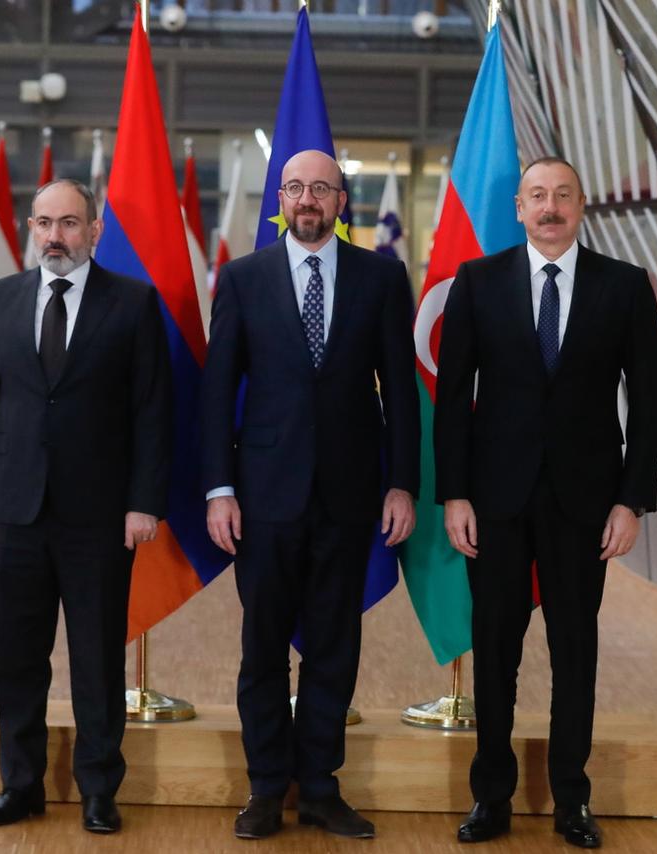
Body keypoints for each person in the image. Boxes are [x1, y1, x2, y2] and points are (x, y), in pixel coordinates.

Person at [434, 157, 657, 848]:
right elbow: (452, 400)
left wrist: (632, 502)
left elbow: (648, 404)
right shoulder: (476, 283)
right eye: (537, 196)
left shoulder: (624, 287)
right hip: (494, 500)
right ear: (517, 207)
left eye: (562, 195)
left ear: (582, 205)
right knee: (496, 652)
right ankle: (491, 799)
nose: (550, 207)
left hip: (585, 504)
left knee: (576, 652)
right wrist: (454, 494)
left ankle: (572, 800)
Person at [200, 149, 420, 840]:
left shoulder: (381, 277)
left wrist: (402, 483)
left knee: (334, 645)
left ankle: (321, 786)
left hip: (350, 496)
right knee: (262, 648)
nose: (307, 199)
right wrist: (218, 489)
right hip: (262, 495)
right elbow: (216, 395)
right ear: (281, 198)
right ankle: (266, 788)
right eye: (295, 187)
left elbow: (402, 393)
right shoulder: (242, 278)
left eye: (320, 188)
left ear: (340, 201)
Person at [0, 178, 172, 836]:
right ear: (30, 228)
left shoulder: (132, 304)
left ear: (94, 230)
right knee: (17, 656)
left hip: (100, 518)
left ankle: (99, 789)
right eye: (45, 222)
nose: (56, 236)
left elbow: (153, 413)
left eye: (70, 223)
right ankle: (20, 785)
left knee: (98, 657)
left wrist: (143, 503)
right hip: (15, 512)